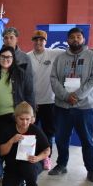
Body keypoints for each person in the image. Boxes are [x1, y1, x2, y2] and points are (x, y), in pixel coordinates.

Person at [49, 27, 93, 183]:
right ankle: (61, 164)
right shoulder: (59, 58)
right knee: (61, 139)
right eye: (72, 37)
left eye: (78, 36)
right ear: (67, 40)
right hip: (62, 107)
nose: (75, 39)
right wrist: (66, 96)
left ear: (83, 39)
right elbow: (53, 79)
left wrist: (77, 96)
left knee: (87, 140)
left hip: (84, 108)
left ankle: (91, 169)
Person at [27, 30, 64, 169]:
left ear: (45, 41)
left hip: (49, 101)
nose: (38, 42)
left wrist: (92, 51)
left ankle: (47, 158)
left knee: (49, 133)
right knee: (31, 133)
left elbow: (73, 52)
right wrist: (30, 101)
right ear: (33, 41)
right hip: (33, 103)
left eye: (41, 40)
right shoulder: (27, 56)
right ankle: (32, 157)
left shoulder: (54, 53)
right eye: (36, 40)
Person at [0, 102, 50, 186]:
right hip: (13, 165)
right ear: (15, 117)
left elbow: (47, 150)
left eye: (28, 119)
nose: (25, 122)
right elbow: (1, 152)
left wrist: (38, 158)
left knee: (27, 166)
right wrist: (11, 141)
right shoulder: (8, 130)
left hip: (31, 163)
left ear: (32, 118)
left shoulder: (35, 130)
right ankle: (21, 181)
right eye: (21, 119)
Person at [0, 45, 34, 135]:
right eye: (3, 56)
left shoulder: (20, 73)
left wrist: (32, 114)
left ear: (13, 59)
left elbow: (29, 94)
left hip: (17, 116)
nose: (5, 59)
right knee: (2, 145)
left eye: (8, 57)